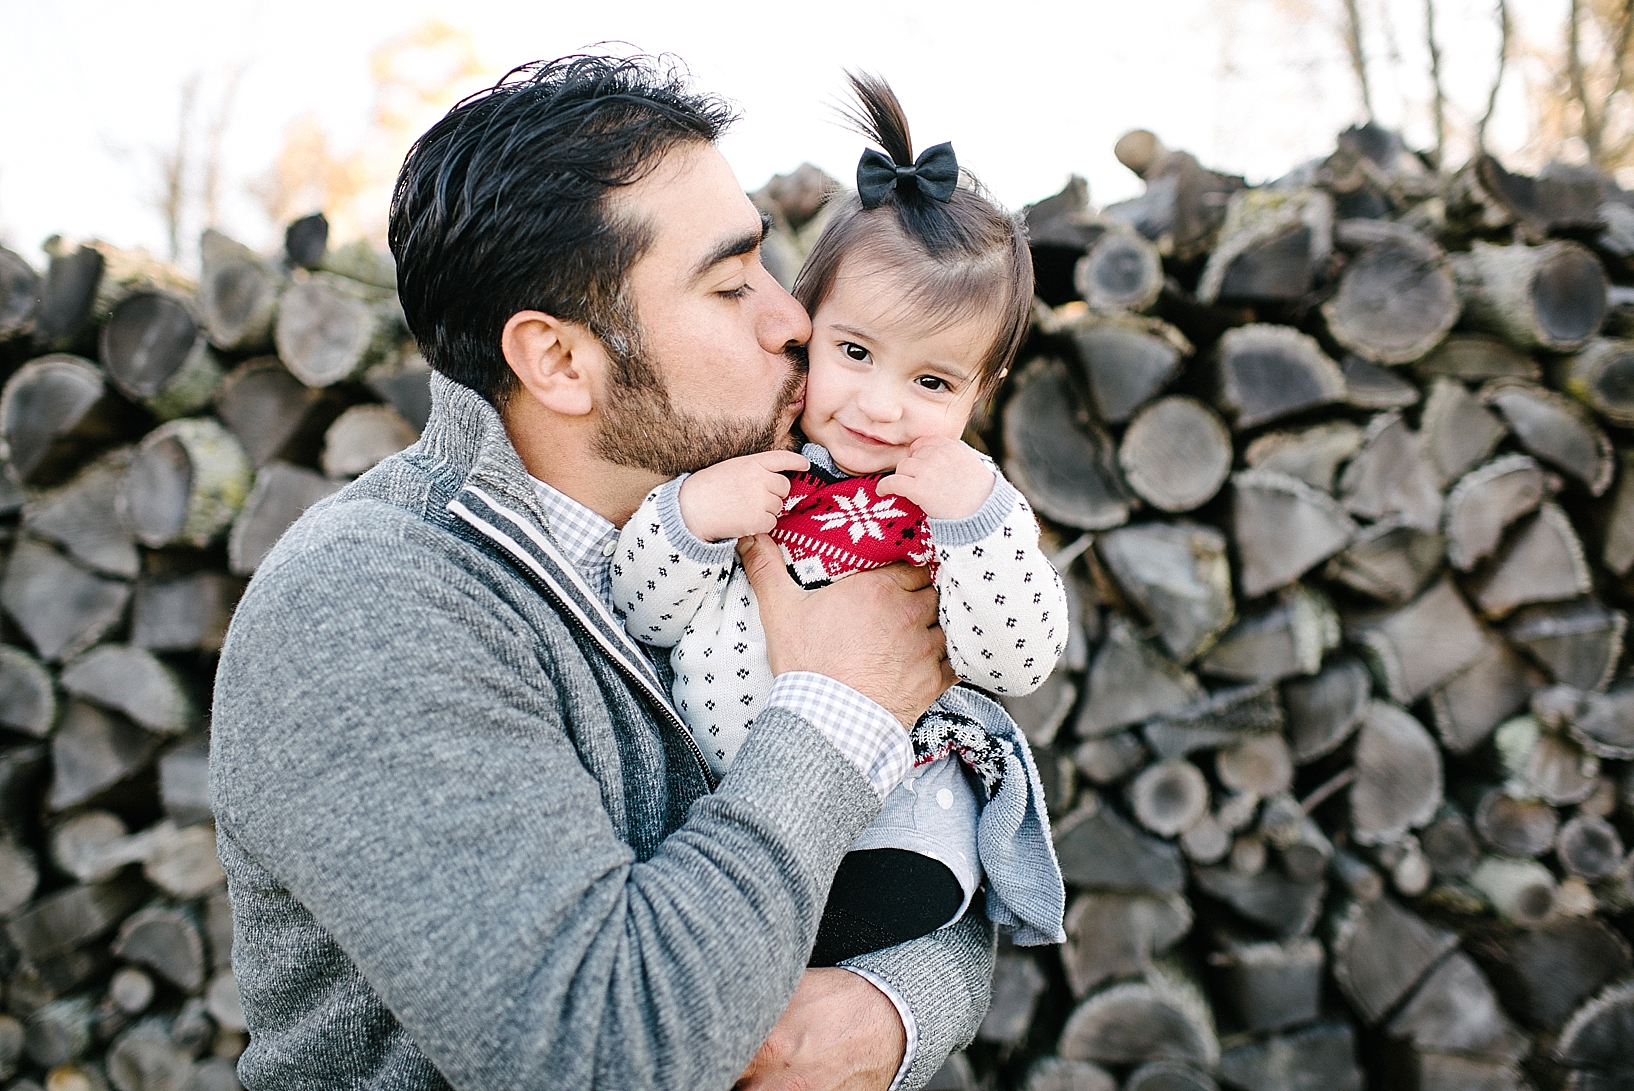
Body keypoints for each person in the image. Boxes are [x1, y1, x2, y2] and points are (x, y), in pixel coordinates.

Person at [209, 56, 995, 1090]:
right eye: (728, 284)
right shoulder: (368, 601)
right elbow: (596, 1051)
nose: (793, 320)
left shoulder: (754, 515)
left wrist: (895, 1010)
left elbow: (927, 861)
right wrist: (839, 704)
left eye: (767, 264)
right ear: (561, 361)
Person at [610, 74, 1067, 968]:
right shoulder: (741, 463)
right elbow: (640, 613)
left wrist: (976, 525)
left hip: (898, 807)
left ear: (982, 391)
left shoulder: (962, 502)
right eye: (855, 353)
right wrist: (694, 516)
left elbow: (1017, 660)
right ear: (808, 327)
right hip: (722, 807)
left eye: (932, 381)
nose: (883, 405)